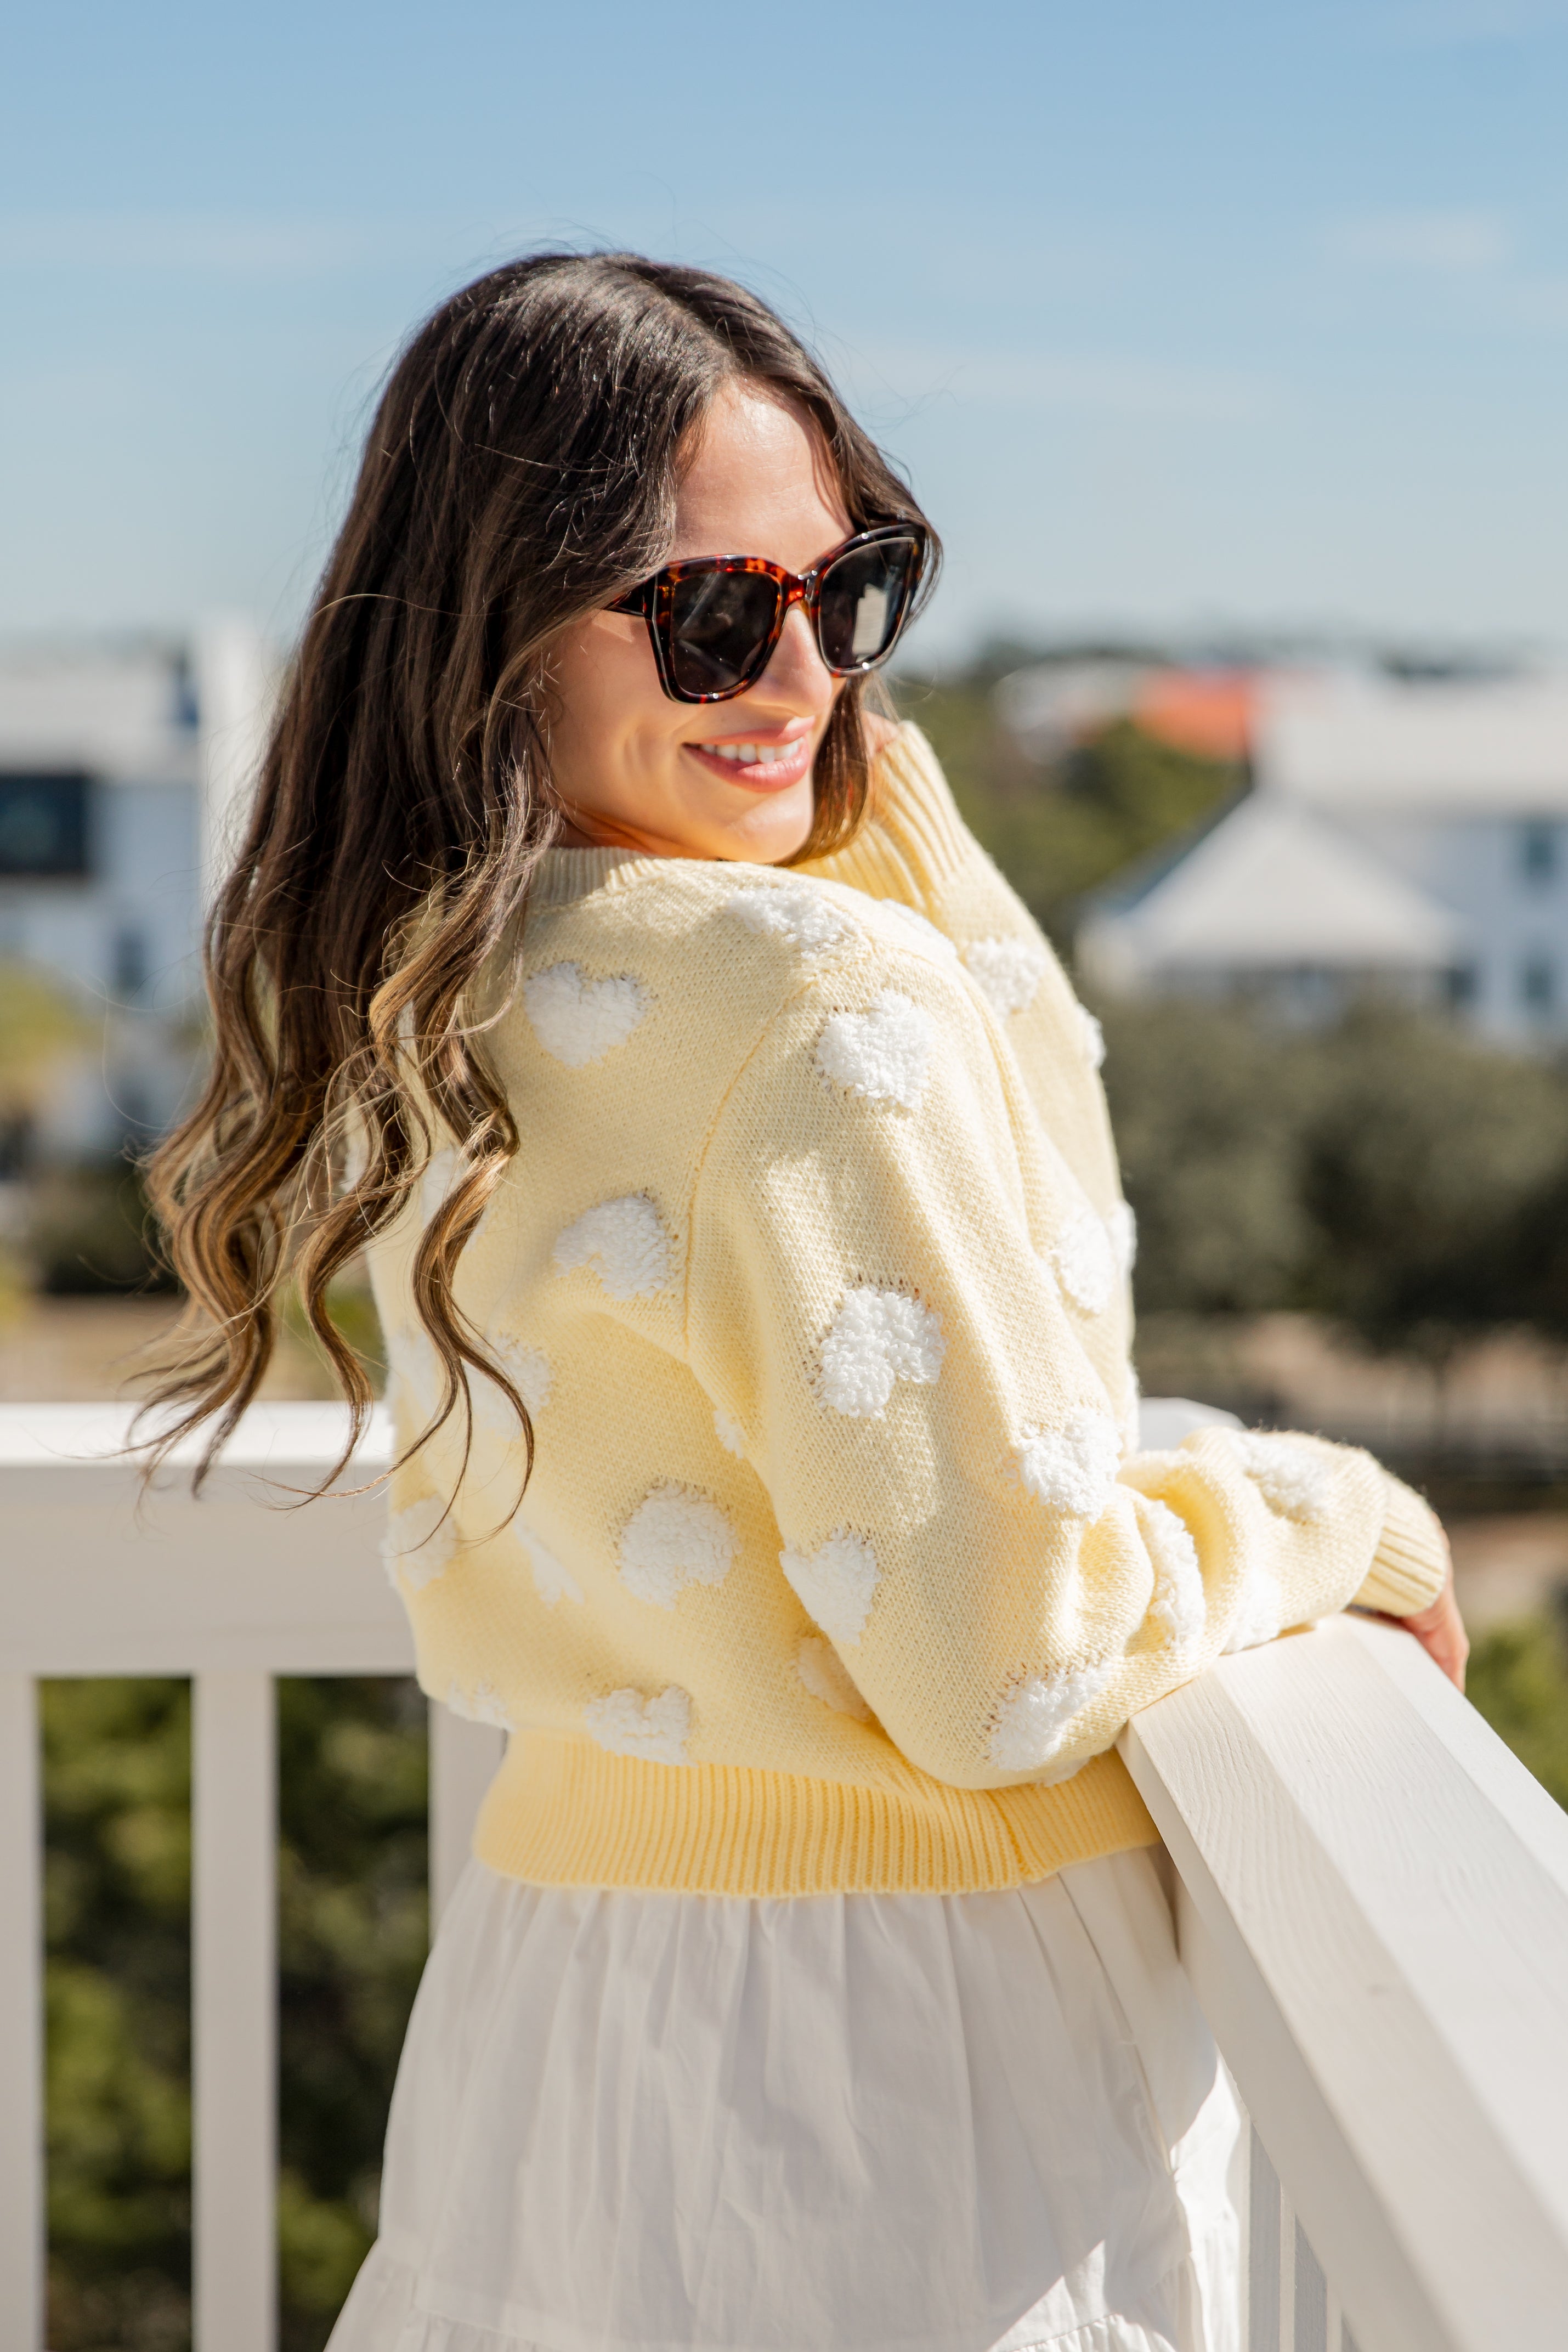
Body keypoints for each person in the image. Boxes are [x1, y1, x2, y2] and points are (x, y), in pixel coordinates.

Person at [146, 253, 1463, 2352]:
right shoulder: (810, 997)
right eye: (706, 612)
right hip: (909, 2057)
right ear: (502, 626)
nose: (796, 675)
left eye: (851, 593)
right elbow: (1003, 1659)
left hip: (561, 1998)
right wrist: (1336, 1519)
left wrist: (838, 770)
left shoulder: (446, 976)